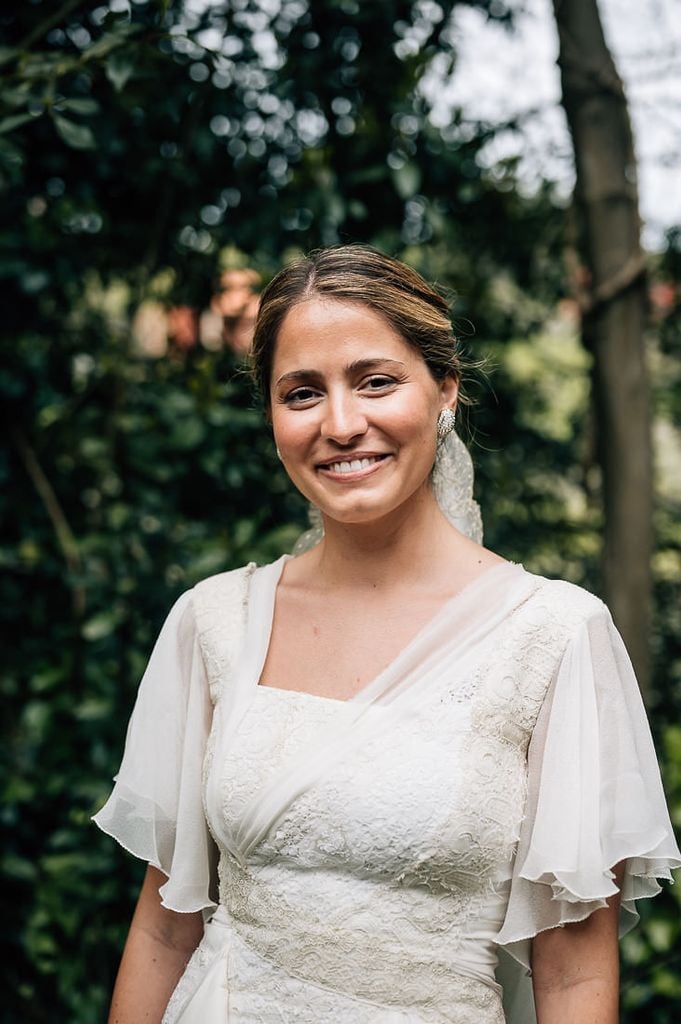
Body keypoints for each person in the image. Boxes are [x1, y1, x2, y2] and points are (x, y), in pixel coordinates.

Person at [93, 245, 680, 1024]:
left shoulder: (553, 635)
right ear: (271, 416)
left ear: (445, 390)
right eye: (302, 393)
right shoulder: (212, 621)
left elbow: (572, 976)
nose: (341, 425)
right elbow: (164, 930)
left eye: (375, 381)